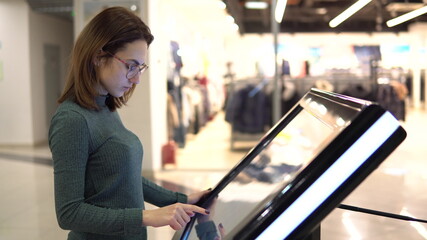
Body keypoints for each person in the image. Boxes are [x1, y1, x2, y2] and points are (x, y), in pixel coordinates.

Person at [48, 6, 209, 240]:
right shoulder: (72, 119)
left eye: (140, 67)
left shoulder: (103, 106)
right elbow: (69, 213)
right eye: (130, 66)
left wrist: (180, 201)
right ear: (97, 55)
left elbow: (123, 176)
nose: (137, 79)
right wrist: (147, 217)